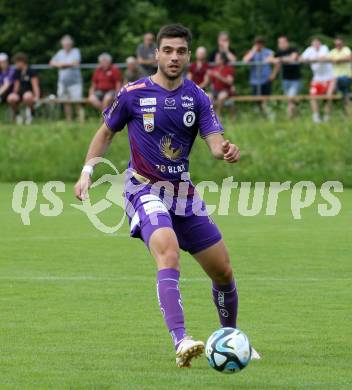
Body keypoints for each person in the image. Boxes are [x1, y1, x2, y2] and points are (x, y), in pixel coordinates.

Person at [74, 24, 260, 368]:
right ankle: (182, 340)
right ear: (156, 54)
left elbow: (215, 142)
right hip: (142, 188)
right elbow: (105, 133)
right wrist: (87, 172)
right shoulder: (132, 93)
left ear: (188, 55)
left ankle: (229, 338)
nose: (175, 57)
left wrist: (227, 150)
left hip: (183, 195)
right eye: (168, 50)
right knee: (168, 252)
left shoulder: (198, 97)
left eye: (181, 51)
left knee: (223, 272)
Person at [50, 35, 84, 122]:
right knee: (66, 102)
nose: (66, 45)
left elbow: (75, 62)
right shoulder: (60, 52)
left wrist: (62, 65)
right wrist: (60, 65)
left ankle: (81, 120)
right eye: (65, 44)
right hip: (63, 82)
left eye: (68, 44)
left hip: (75, 82)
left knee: (77, 101)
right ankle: (69, 120)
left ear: (71, 44)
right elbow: (51, 62)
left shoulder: (76, 51)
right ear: (62, 44)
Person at [300, 38, 335, 123]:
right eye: (314, 43)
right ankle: (316, 118)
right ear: (311, 44)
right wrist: (311, 59)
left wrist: (310, 59)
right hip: (317, 79)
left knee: (328, 98)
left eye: (317, 42)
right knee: (313, 97)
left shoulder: (324, 48)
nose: (315, 44)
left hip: (329, 78)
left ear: (320, 43)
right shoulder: (309, 49)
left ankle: (327, 118)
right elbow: (301, 59)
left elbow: (322, 57)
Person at [270, 36, 301, 118]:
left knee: (291, 98)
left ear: (287, 42)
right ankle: (296, 117)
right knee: (290, 100)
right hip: (285, 79)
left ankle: (289, 117)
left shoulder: (293, 49)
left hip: (295, 79)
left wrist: (280, 59)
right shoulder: (279, 52)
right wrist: (273, 74)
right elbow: (271, 60)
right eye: (279, 42)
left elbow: (293, 58)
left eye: (283, 42)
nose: (281, 44)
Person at [7, 52, 40, 125]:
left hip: (30, 93)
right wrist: (14, 94)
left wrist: (37, 96)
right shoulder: (17, 72)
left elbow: (35, 85)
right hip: (21, 93)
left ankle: (31, 115)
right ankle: (18, 115)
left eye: (16, 62)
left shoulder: (31, 71)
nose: (16, 64)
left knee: (27, 96)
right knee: (10, 98)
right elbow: (16, 86)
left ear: (22, 62)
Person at [328, 37, 352, 114]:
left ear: (343, 44)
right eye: (336, 44)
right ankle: (349, 115)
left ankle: (334, 92)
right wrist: (337, 60)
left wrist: (337, 60)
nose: (338, 45)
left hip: (346, 77)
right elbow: (328, 58)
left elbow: (349, 57)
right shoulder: (333, 51)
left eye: (339, 44)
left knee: (335, 81)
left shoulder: (346, 49)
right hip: (336, 77)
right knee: (346, 96)